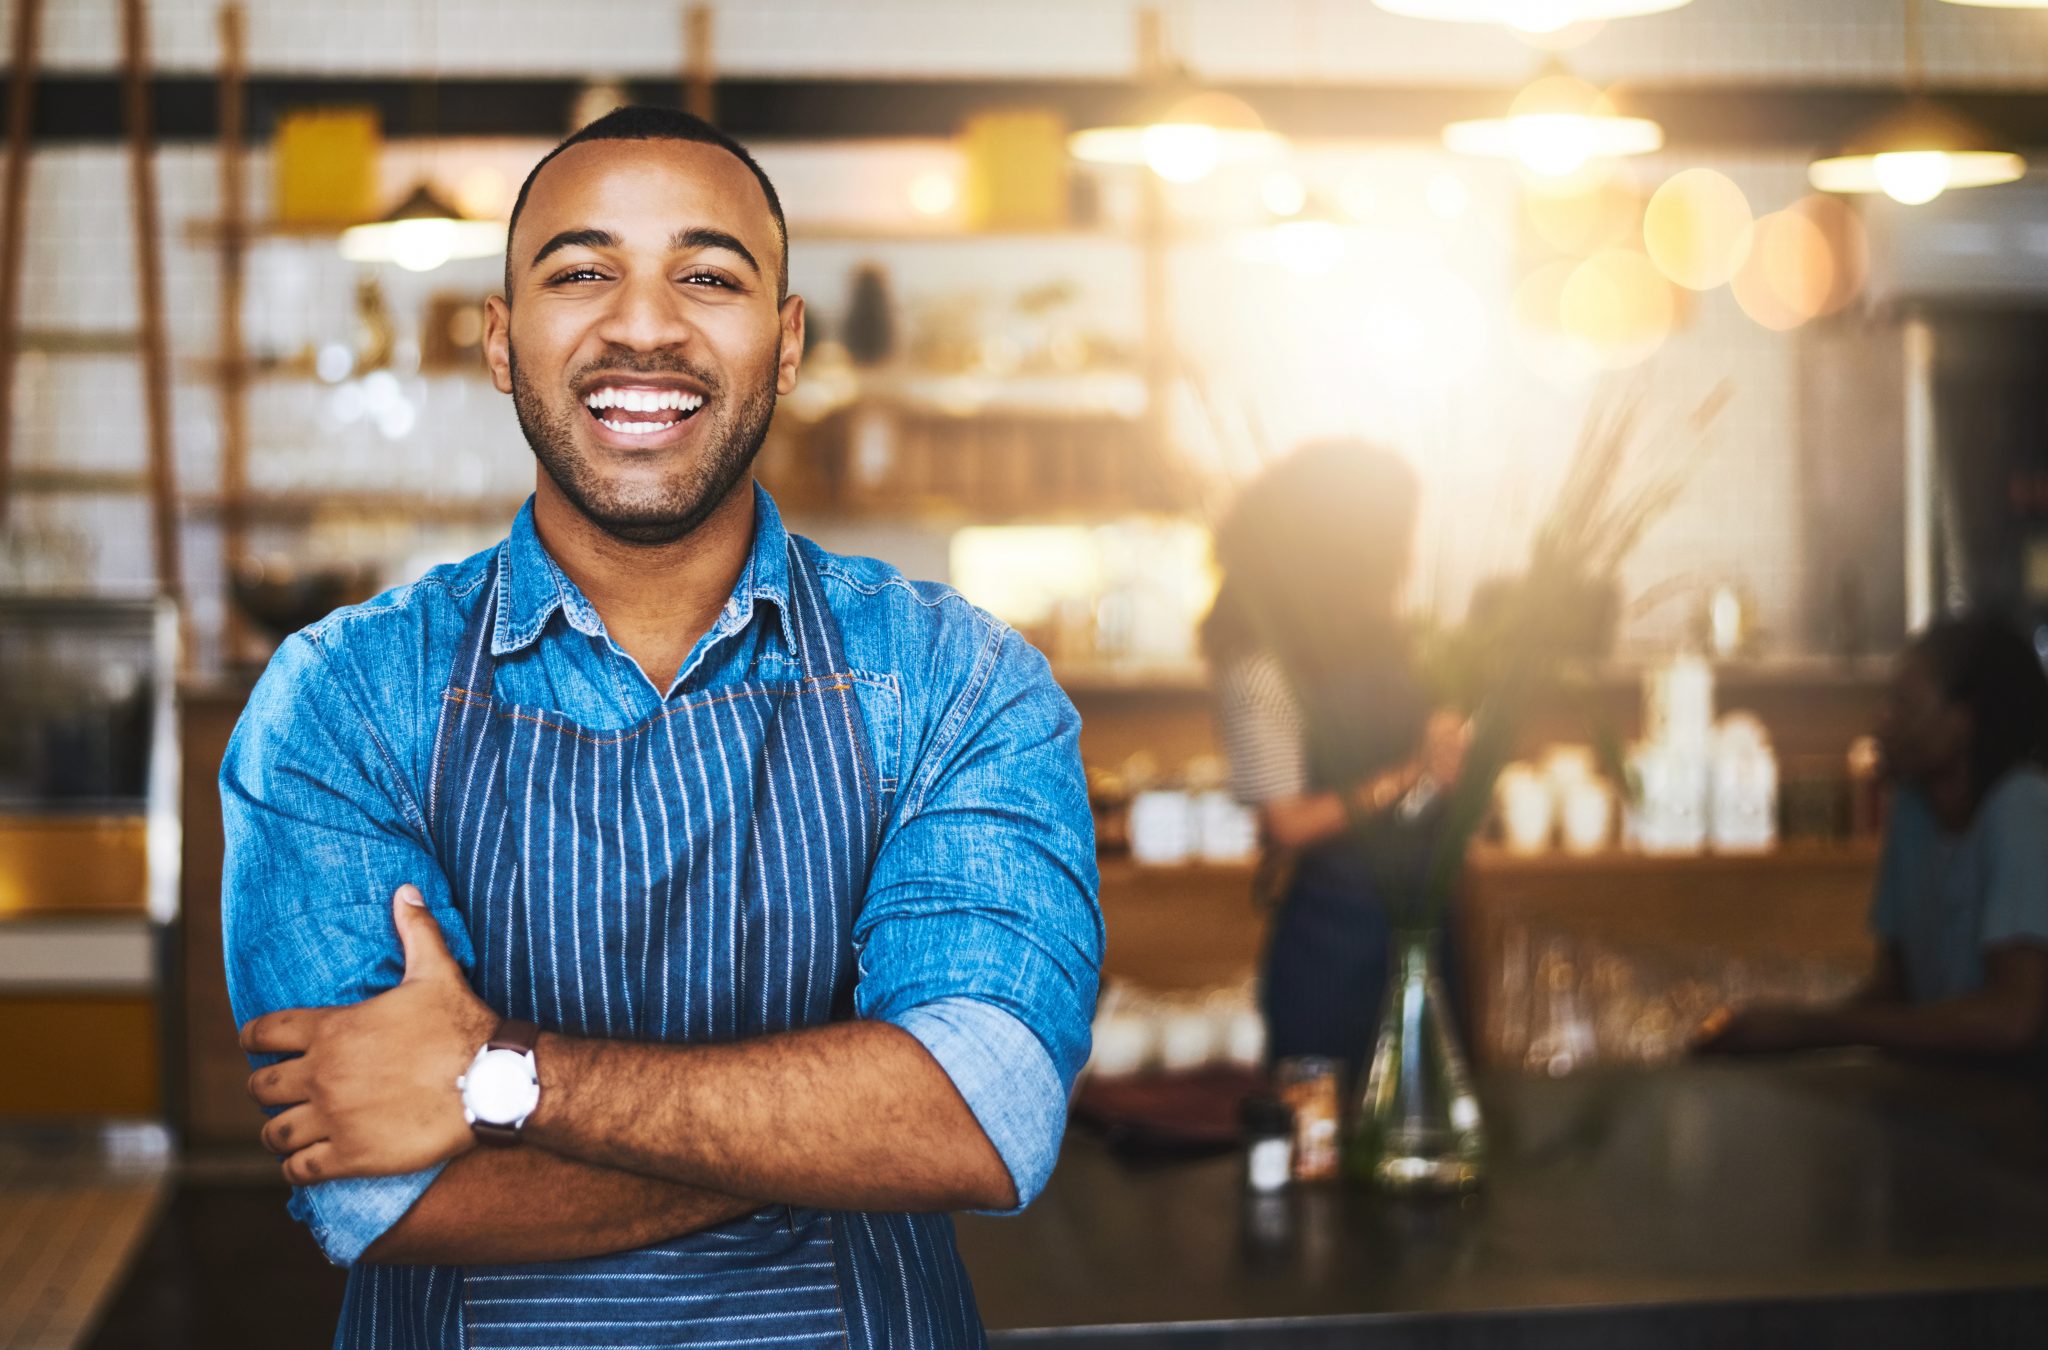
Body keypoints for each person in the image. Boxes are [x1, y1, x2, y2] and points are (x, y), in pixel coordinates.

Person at [222, 106, 1102, 1350]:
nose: (642, 325)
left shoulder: (958, 680)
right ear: (498, 339)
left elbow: (982, 1115)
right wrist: (854, 1115)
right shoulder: (342, 697)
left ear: (785, 344)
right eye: (581, 272)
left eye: (708, 275)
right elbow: (378, 1192)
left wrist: (497, 1077)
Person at [1203, 441, 1468, 1072]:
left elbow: (1430, 778)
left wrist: (1450, 751)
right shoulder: (1261, 666)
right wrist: (1410, 775)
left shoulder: (1386, 645)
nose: (1405, 559)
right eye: (1394, 537)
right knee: (1324, 1140)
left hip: (1426, 934)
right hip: (1333, 951)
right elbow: (1286, 822)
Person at [1696, 614, 2048, 1061]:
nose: (1881, 722)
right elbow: (1895, 989)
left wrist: (1811, 1029)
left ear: (1963, 721)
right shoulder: (1914, 811)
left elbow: (2012, 1019)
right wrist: (1787, 1035)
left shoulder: (2022, 810)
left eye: (1902, 704)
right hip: (1953, 1104)